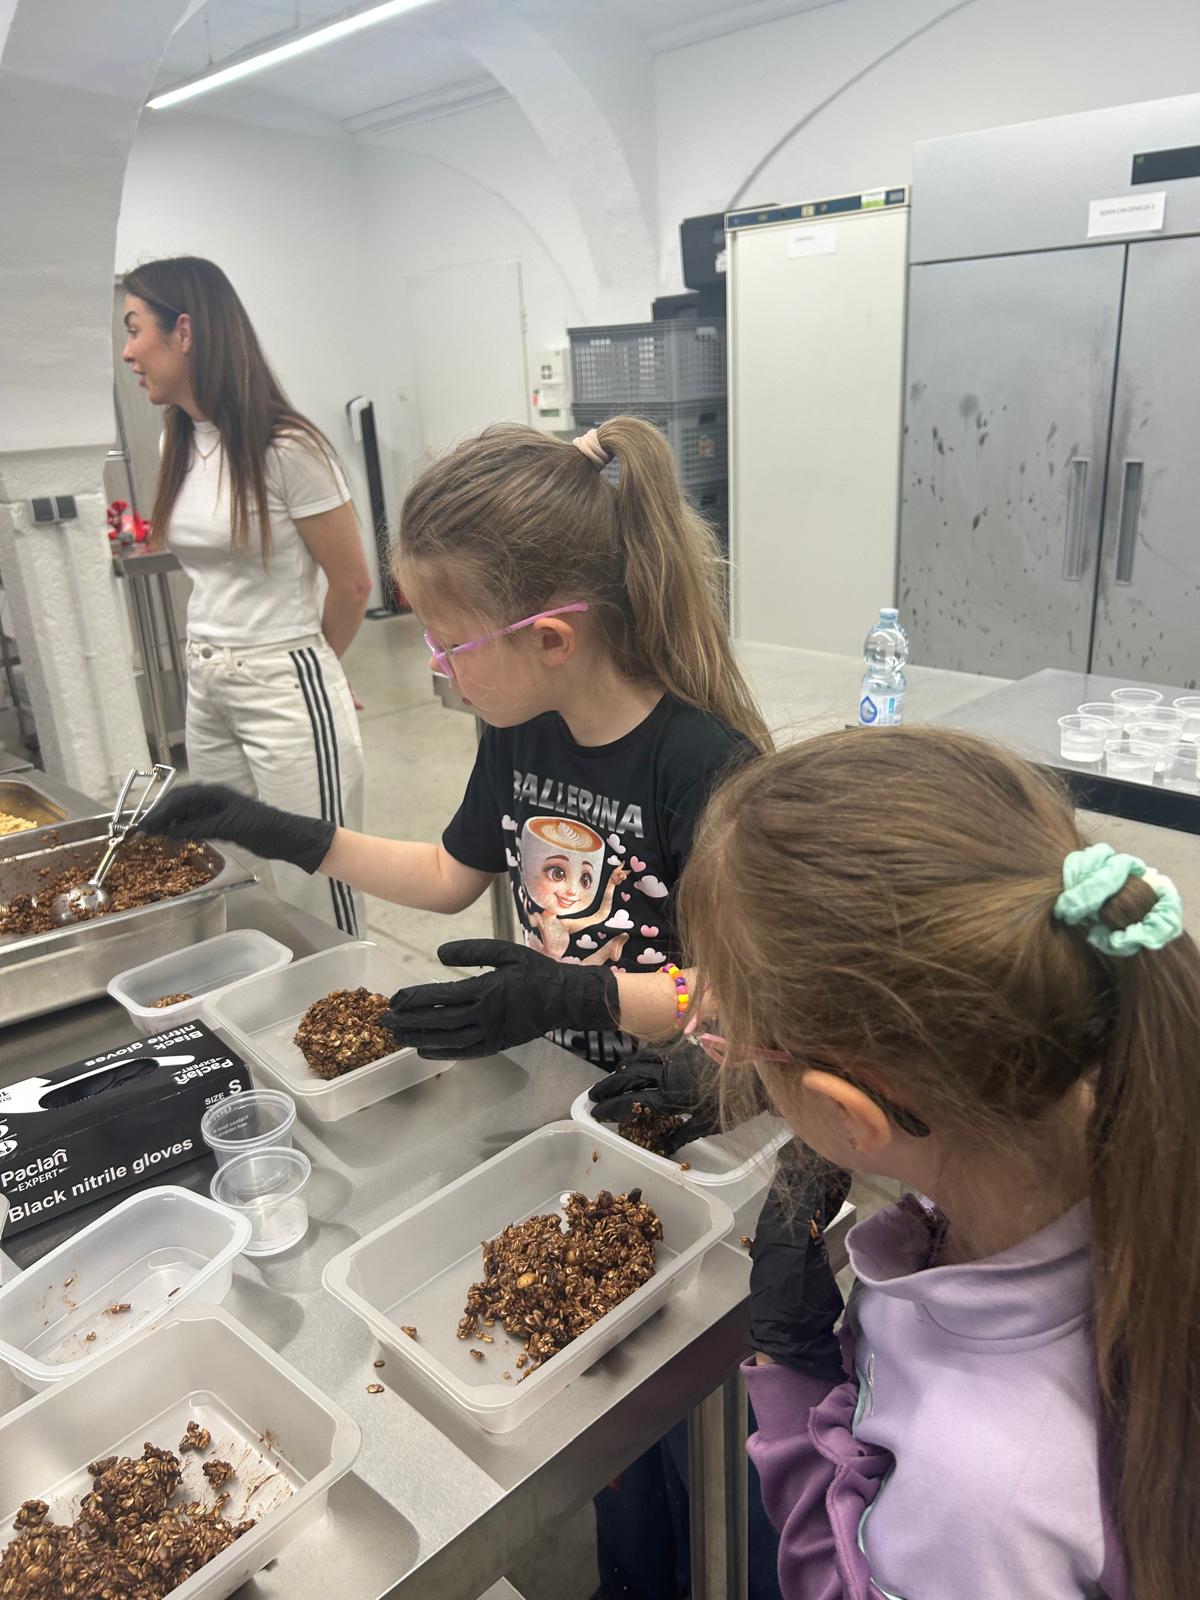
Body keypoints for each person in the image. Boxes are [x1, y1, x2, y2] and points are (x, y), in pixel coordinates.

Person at [142, 413, 780, 1599]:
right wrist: (282, 833)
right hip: (574, 1114)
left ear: (549, 637)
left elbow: (744, 994)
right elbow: (448, 873)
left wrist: (579, 990)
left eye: (448, 644)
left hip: (694, 1131)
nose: (435, 668)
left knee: (698, 1420)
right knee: (603, 1419)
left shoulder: (704, 767)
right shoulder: (520, 731)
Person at [677, 724, 1200, 1600]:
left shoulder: (985, 1498)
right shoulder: (1136, 1097)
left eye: (733, 1040)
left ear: (852, 1115)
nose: (720, 1052)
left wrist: (796, 1386)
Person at [121, 256, 371, 934]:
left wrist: (319, 667)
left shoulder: (287, 447)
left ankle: (348, 994)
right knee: (232, 865)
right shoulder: (178, 439)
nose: (128, 351)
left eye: (135, 329)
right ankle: (273, 987)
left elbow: (352, 583)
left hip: (281, 681)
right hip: (207, 679)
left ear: (185, 331)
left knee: (314, 873)